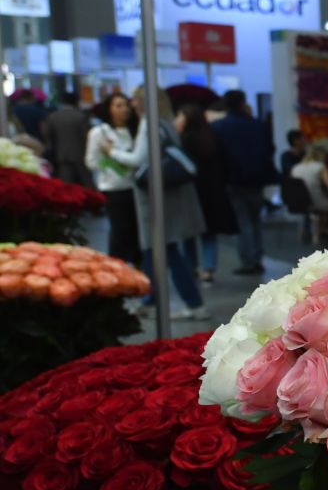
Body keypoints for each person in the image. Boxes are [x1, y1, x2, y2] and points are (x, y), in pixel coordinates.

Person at [110, 90, 208, 319]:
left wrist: (111, 151)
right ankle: (150, 299)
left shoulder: (149, 123)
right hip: (167, 198)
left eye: (134, 99)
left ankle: (193, 303)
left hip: (153, 199)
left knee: (164, 250)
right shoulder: (166, 123)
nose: (131, 104)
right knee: (155, 251)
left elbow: (138, 159)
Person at [212, 90, 276, 274]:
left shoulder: (221, 126)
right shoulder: (256, 125)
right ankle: (256, 256)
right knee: (254, 219)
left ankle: (249, 259)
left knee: (244, 220)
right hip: (256, 178)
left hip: (235, 179)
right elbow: (269, 149)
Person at [177, 102, 236, 283]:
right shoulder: (212, 137)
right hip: (213, 192)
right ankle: (209, 268)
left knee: (189, 234)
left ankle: (191, 267)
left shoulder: (183, 141)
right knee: (209, 233)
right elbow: (227, 163)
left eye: (180, 117)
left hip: (191, 192)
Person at [85, 92, 141, 264]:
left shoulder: (136, 130)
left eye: (126, 105)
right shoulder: (99, 132)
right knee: (119, 231)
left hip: (135, 186)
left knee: (136, 231)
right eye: (118, 106)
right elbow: (91, 161)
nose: (124, 110)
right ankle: (116, 266)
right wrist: (111, 164)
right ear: (109, 109)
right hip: (112, 188)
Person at [42, 90, 93, 187]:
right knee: (87, 185)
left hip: (61, 157)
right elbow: (86, 137)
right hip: (81, 156)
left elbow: (48, 137)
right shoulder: (81, 116)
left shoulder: (53, 117)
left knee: (66, 187)